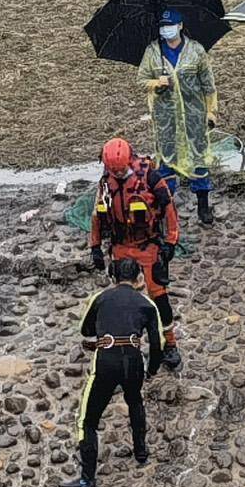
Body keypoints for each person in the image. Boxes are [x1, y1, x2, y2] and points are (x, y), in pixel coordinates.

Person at [62, 254, 159, 487]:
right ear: (138, 277)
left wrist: (105, 328)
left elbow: (84, 329)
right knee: (135, 400)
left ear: (112, 276)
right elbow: (157, 344)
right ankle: (140, 452)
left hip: (107, 359)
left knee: (87, 420)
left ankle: (87, 479)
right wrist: (152, 370)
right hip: (134, 358)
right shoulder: (147, 303)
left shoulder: (101, 298)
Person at [88, 135, 183, 364]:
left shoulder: (150, 177)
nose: (117, 175)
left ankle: (169, 343)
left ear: (130, 160)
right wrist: (95, 247)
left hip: (147, 244)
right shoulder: (105, 182)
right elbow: (97, 217)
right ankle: (124, 342)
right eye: (113, 171)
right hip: (121, 246)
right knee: (122, 298)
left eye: (120, 171)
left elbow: (169, 211)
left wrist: (171, 242)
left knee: (159, 297)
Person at [139, 11, 218, 226]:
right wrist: (156, 83)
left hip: (194, 117)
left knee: (199, 159)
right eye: (163, 26)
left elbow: (208, 85)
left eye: (170, 25)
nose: (166, 29)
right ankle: (168, 210)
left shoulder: (196, 50)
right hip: (166, 120)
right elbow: (141, 80)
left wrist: (211, 111)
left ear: (180, 25)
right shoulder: (152, 51)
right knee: (166, 162)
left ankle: (203, 206)